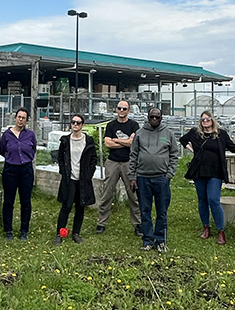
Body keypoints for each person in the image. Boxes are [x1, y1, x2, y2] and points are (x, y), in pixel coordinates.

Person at [178, 110, 235, 245]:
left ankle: (221, 230)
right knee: (202, 200)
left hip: (215, 171)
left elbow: (232, 147)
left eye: (207, 119)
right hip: (199, 170)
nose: (205, 122)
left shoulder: (220, 134)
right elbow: (183, 139)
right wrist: (192, 149)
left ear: (212, 120)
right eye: (203, 120)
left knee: (213, 199)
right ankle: (206, 227)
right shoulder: (195, 133)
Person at [129, 107, 179, 253]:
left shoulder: (168, 134)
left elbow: (174, 155)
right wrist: (132, 176)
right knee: (145, 210)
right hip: (143, 177)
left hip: (161, 178)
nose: (154, 120)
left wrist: (169, 174)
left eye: (157, 117)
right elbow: (133, 155)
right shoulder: (140, 133)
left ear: (161, 118)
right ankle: (147, 240)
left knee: (161, 210)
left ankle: (160, 240)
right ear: (148, 117)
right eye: (152, 117)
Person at [96, 100, 142, 236]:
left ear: (128, 111)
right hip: (112, 162)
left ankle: (138, 224)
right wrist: (125, 142)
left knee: (133, 194)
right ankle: (101, 223)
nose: (122, 111)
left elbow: (133, 143)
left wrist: (116, 140)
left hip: (129, 163)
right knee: (107, 193)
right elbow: (107, 144)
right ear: (116, 110)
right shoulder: (111, 125)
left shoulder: (134, 125)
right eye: (119, 108)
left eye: (124, 109)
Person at [54, 113, 97, 245]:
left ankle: (76, 233)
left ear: (83, 125)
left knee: (80, 207)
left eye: (78, 123)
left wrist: (88, 174)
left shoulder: (88, 141)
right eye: (73, 122)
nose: (75, 125)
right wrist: (63, 171)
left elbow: (93, 159)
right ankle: (59, 234)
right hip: (69, 179)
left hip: (83, 180)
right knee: (66, 207)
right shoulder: (65, 140)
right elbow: (60, 158)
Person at [0, 107, 36, 241]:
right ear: (15, 118)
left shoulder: (30, 134)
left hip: (26, 169)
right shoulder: (7, 135)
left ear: (26, 120)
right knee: (9, 201)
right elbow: (2, 150)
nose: (21, 120)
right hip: (10, 170)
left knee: (25, 201)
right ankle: (8, 230)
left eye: (23, 118)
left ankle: (24, 231)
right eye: (19, 117)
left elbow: (33, 149)